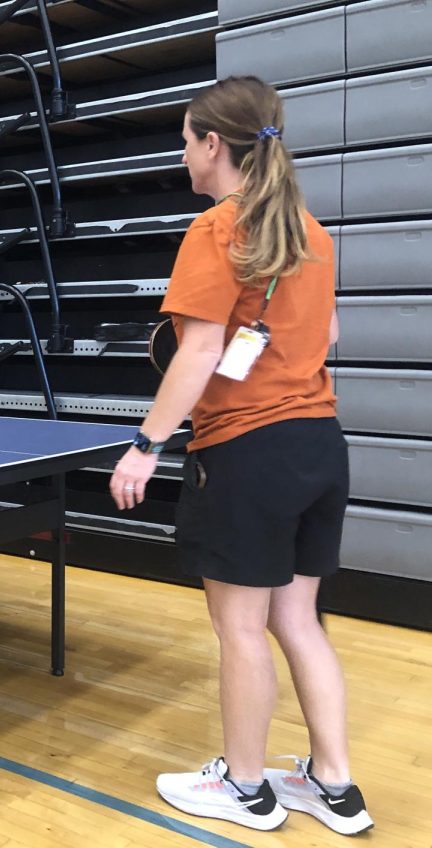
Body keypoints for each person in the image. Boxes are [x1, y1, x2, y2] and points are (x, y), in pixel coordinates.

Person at [108, 77, 372, 836]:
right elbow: (327, 341)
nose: (183, 154)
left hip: (248, 453)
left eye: (187, 139)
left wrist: (146, 445)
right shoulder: (310, 234)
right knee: (299, 620)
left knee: (242, 629)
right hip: (321, 445)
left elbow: (199, 352)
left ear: (214, 145)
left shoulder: (217, 229)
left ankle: (248, 787)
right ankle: (334, 784)